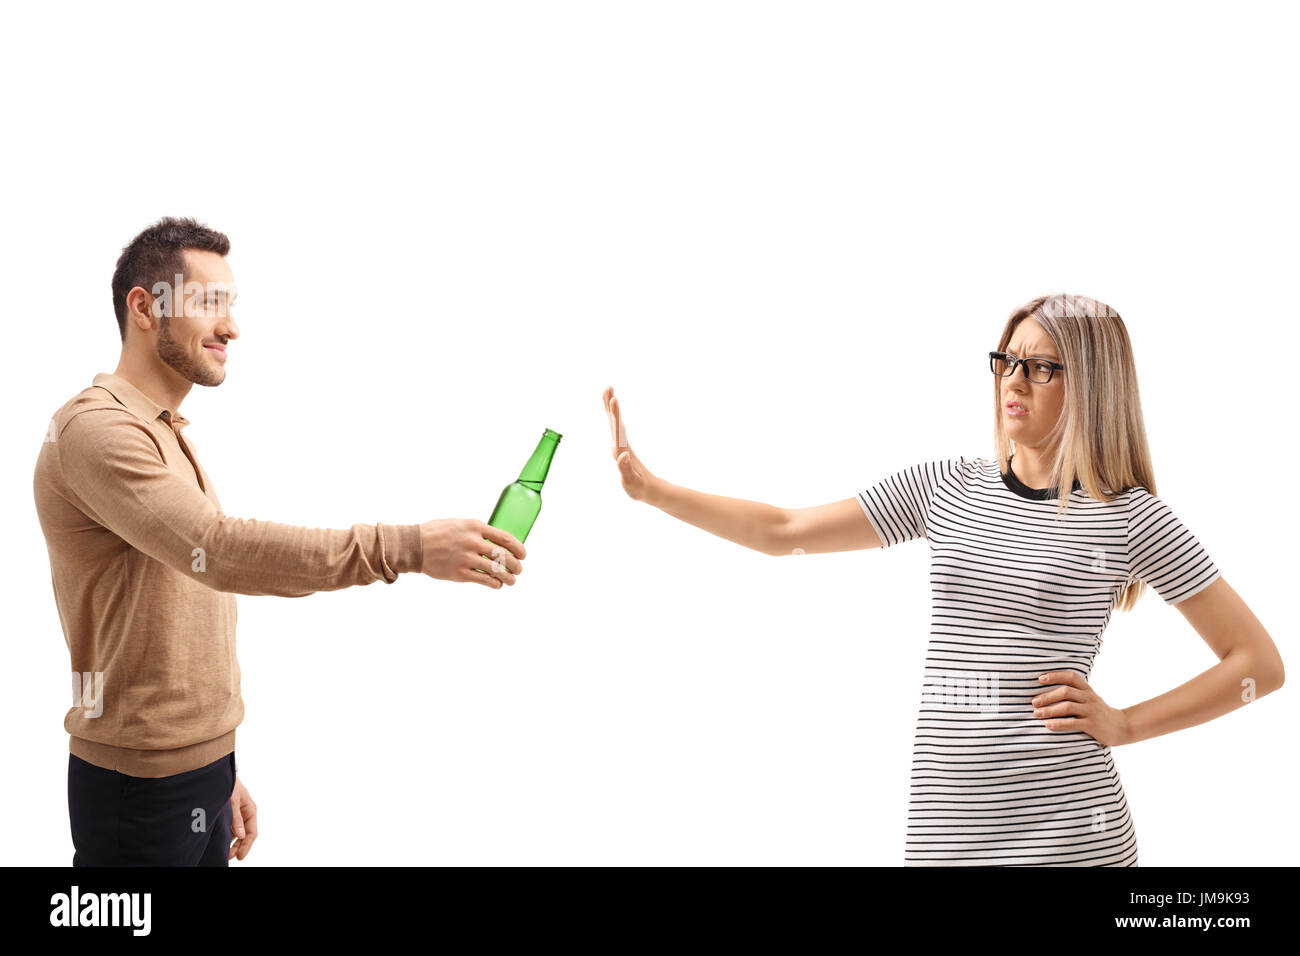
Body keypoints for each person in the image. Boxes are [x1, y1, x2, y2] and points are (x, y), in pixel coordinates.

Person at [602, 293, 1284, 866]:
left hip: (1068, 835)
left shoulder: (1129, 518)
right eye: (1007, 360)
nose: (1012, 381)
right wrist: (655, 491)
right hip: (945, 835)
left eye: (1041, 367)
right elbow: (784, 532)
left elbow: (1258, 663)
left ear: (1092, 385)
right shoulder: (947, 487)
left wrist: (1126, 724)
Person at [33, 216, 527, 866]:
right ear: (146, 307)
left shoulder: (164, 431)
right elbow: (217, 548)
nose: (232, 327)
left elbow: (178, 603)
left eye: (231, 306)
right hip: (138, 790)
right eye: (211, 303)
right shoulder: (96, 432)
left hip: (195, 773)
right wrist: (405, 548)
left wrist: (219, 767)